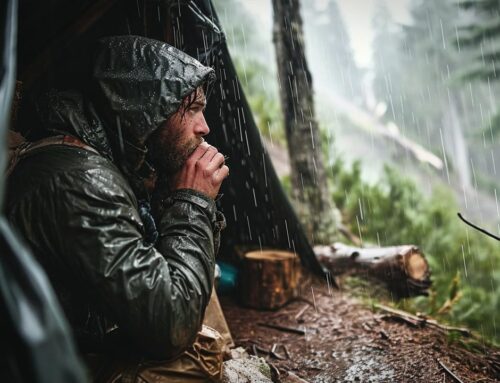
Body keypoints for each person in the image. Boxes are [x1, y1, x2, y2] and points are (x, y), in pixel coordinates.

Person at [6, 35, 228, 382]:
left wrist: (171, 198)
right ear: (144, 110)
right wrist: (191, 203)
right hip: (41, 367)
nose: (205, 127)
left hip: (68, 341)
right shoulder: (83, 182)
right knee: (193, 367)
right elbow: (171, 325)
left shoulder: (97, 160)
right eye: (192, 109)